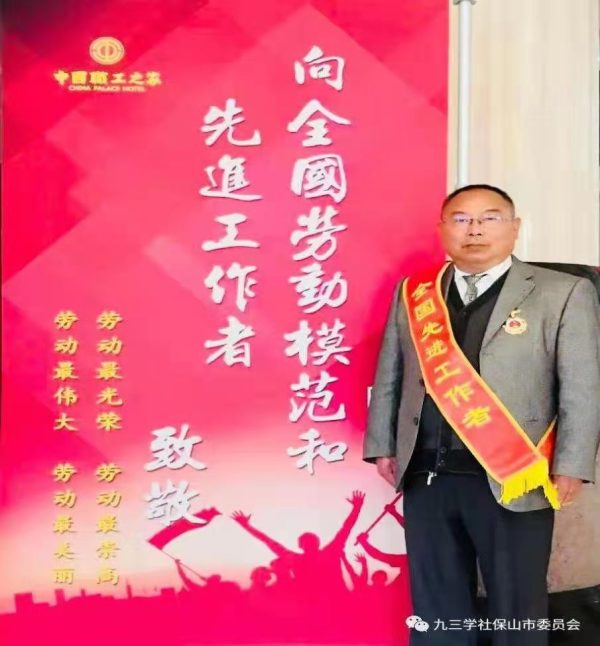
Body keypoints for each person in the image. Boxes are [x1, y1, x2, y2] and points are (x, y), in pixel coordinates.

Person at [363, 184, 600, 645]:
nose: (475, 230)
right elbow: (391, 371)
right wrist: (382, 445)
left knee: (517, 605)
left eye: (490, 218)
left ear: (514, 228)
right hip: (427, 474)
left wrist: (572, 465)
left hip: (516, 475)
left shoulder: (562, 291)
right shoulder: (414, 293)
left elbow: (583, 385)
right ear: (442, 230)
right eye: (461, 219)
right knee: (436, 606)